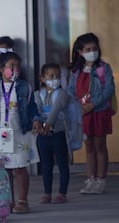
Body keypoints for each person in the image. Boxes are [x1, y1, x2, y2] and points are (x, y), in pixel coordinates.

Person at [0, 52, 41, 214]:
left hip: (19, 132)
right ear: (1, 68)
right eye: (11, 66)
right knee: (4, 168)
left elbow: (32, 107)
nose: (15, 69)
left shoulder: (25, 87)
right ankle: (7, 200)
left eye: (17, 66)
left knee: (20, 166)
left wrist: (36, 119)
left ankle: (23, 200)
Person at [68, 33, 115, 194]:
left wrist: (92, 104)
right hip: (83, 115)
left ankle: (101, 180)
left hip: (100, 113)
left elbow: (109, 89)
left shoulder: (104, 68)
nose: (92, 52)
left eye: (94, 48)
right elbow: (70, 91)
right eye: (88, 49)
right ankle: (91, 179)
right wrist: (77, 107)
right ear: (80, 52)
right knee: (88, 147)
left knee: (100, 145)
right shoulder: (75, 71)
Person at [34, 63, 70, 204]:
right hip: (42, 135)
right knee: (46, 165)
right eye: (51, 76)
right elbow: (36, 110)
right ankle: (47, 192)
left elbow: (56, 109)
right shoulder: (38, 94)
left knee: (62, 163)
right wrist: (38, 124)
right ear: (42, 78)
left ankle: (62, 193)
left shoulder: (62, 93)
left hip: (58, 134)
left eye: (58, 76)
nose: (55, 79)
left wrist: (47, 125)